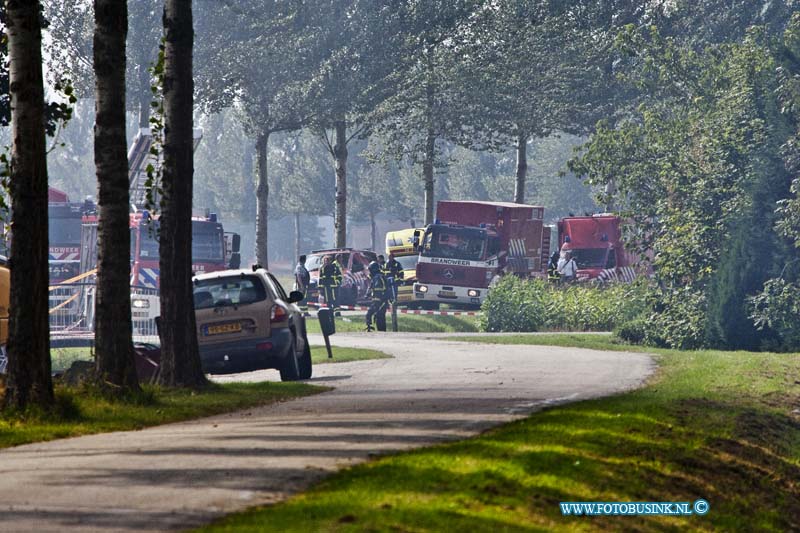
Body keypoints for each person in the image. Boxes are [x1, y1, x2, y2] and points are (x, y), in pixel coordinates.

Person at [365, 261, 390, 331]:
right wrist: (368, 294)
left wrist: (376, 303)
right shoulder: (378, 277)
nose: (369, 272)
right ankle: (381, 332)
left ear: (373, 270)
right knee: (380, 318)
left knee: (370, 315)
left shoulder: (377, 278)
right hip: (382, 302)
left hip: (379, 302)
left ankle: (370, 328)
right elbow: (371, 288)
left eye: (370, 270)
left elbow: (378, 291)